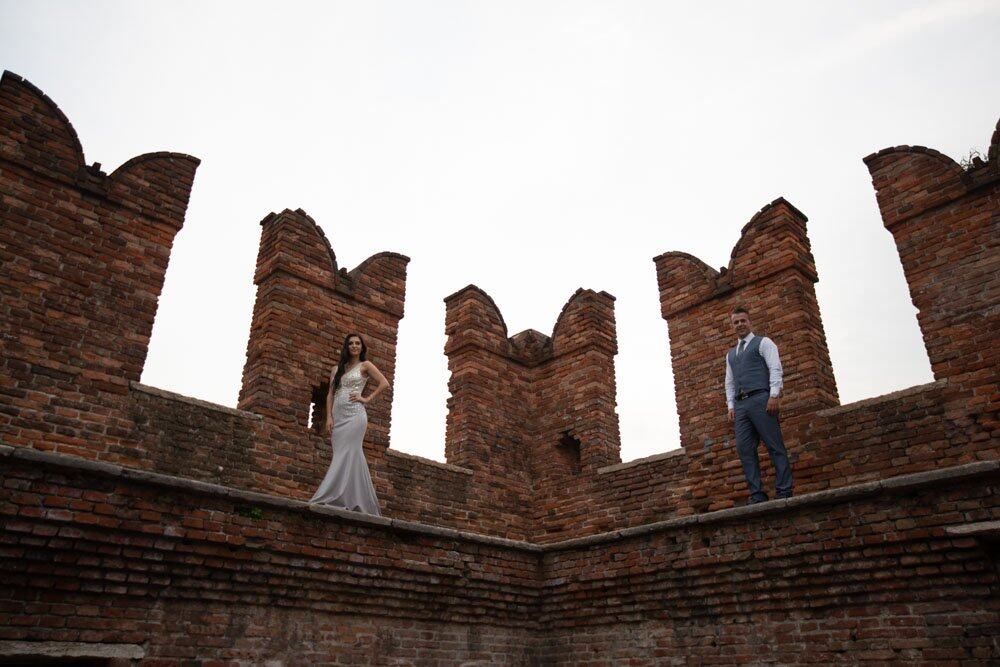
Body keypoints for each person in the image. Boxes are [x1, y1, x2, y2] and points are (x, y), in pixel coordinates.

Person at [310, 333, 389, 515]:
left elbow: (384, 383)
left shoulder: (365, 365)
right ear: (346, 347)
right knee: (342, 454)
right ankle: (347, 498)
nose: (354, 346)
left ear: (362, 347)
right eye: (351, 343)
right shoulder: (336, 369)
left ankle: (332, 496)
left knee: (349, 452)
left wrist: (366, 398)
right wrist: (329, 417)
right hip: (338, 417)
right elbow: (331, 394)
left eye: (357, 343)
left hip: (355, 416)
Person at [725, 306, 793, 504]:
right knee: (744, 448)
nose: (739, 325)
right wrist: (730, 406)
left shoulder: (763, 342)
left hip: (761, 399)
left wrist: (773, 395)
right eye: (736, 322)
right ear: (732, 326)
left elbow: (775, 368)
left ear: (749, 321)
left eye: (742, 321)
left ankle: (784, 489)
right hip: (741, 406)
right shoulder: (730, 354)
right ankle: (757, 494)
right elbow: (729, 382)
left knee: (774, 444)